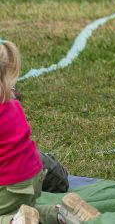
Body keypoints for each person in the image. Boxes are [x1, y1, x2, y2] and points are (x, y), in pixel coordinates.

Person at [0, 40, 101, 224]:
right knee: (28, 209)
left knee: (7, 211)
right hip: (34, 180)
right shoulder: (13, 105)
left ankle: (14, 221)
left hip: (10, 186)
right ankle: (60, 213)